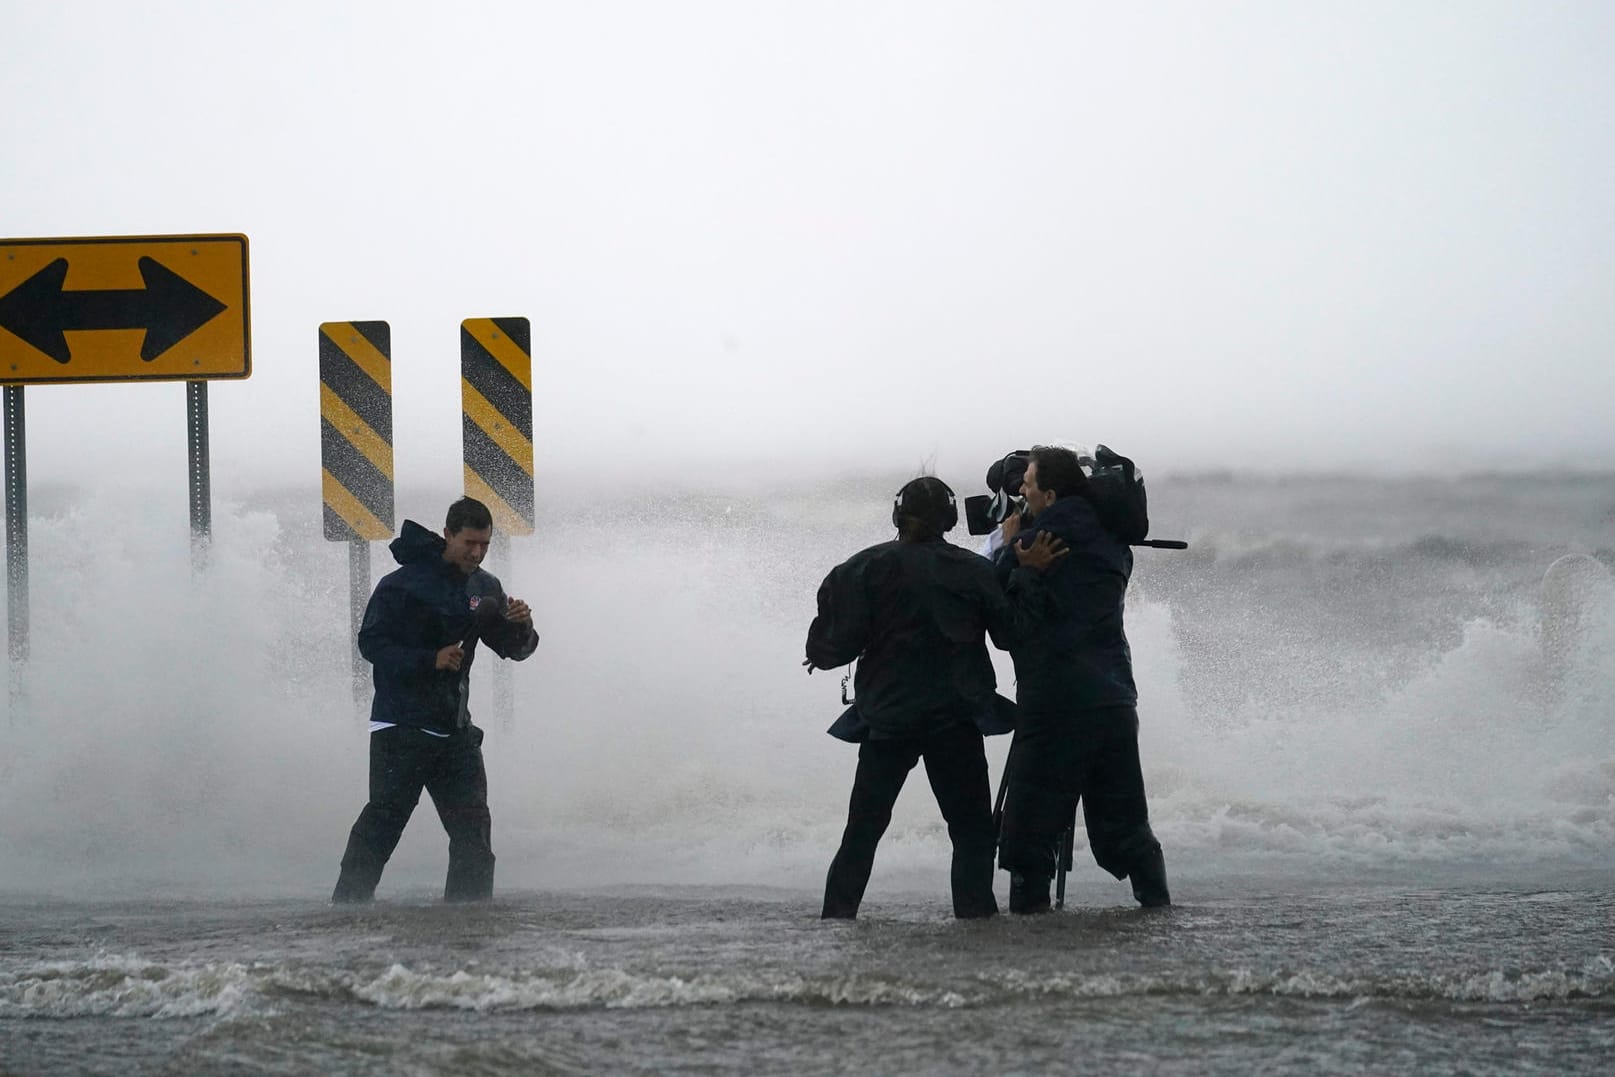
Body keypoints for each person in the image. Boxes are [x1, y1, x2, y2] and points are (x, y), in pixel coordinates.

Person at [807, 476, 1064, 919]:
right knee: (971, 835)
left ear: (897, 517)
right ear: (948, 520)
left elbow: (831, 650)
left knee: (863, 832)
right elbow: (1010, 636)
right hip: (955, 720)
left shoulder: (860, 568)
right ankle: (975, 922)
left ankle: (835, 922)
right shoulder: (975, 570)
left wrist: (821, 648)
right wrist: (1027, 573)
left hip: (887, 720)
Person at [331, 497, 539, 903]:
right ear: (447, 535)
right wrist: (430, 659)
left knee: (474, 833)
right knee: (383, 823)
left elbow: (513, 650)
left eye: (484, 544)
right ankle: (346, 910)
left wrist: (523, 626)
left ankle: (468, 918)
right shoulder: (401, 584)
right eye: (469, 543)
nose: (476, 553)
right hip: (400, 727)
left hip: (454, 731)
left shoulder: (486, 588)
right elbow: (370, 644)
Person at [993, 445, 1171, 911]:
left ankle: (1029, 940)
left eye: (1027, 486)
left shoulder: (1040, 540)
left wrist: (1008, 546)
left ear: (1049, 495)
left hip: (1056, 703)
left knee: (1028, 841)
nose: (1021, 494)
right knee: (1128, 829)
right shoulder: (1111, 535)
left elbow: (1003, 617)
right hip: (1114, 700)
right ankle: (1160, 915)